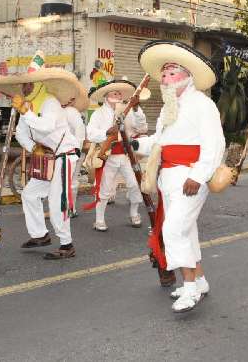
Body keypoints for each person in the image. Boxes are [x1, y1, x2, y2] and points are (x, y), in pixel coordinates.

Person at [134, 41, 225, 313]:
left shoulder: (202, 104)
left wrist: (198, 175)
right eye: (163, 74)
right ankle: (200, 279)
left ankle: (189, 289)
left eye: (171, 72)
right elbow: (159, 142)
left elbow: (215, 144)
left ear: (188, 76)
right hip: (169, 178)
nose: (165, 78)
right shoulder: (167, 108)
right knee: (186, 230)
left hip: (190, 177)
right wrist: (132, 143)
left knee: (173, 230)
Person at [0, 52, 88, 260]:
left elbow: (46, 126)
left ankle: (66, 244)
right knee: (29, 194)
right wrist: (33, 147)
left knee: (56, 202)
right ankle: (40, 235)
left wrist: (25, 111)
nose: (25, 88)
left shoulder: (49, 102)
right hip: (48, 159)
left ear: (39, 84)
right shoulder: (28, 105)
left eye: (29, 84)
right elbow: (21, 132)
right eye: (24, 85)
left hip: (64, 156)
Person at [85, 77, 148, 231]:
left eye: (120, 94)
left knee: (134, 185)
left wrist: (135, 108)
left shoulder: (128, 111)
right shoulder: (98, 114)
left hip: (126, 156)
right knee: (104, 189)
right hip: (107, 156)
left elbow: (143, 128)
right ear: (106, 96)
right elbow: (91, 133)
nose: (118, 96)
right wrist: (107, 132)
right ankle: (99, 220)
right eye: (114, 93)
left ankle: (134, 214)